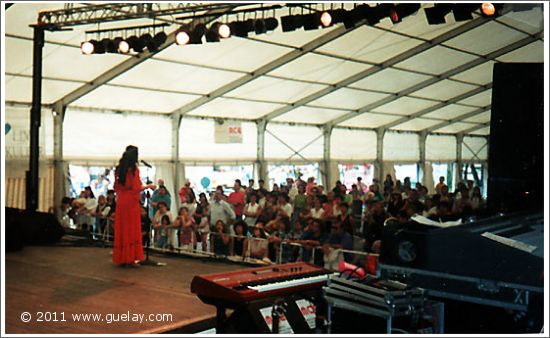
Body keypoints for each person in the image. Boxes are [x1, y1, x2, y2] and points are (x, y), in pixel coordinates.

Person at [112, 145, 155, 266]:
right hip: (131, 202)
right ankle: (130, 258)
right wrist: (148, 186)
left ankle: (121, 257)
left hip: (121, 201)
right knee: (131, 229)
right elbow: (136, 188)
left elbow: (116, 187)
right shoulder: (134, 170)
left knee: (122, 229)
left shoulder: (119, 169)